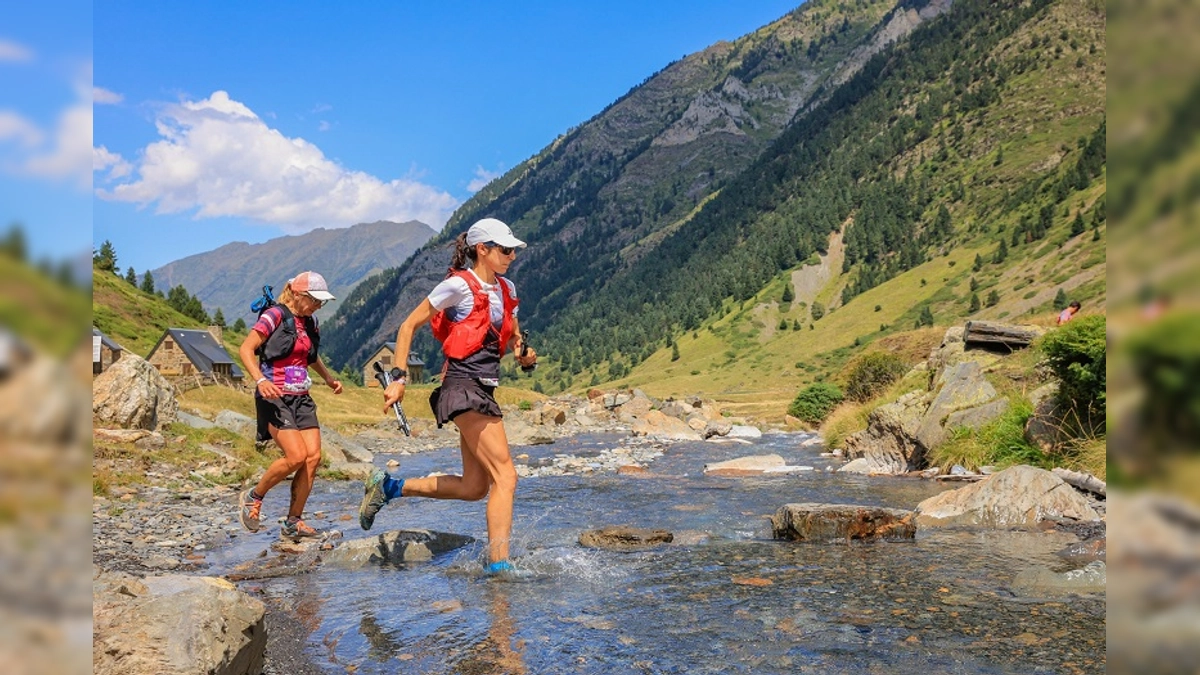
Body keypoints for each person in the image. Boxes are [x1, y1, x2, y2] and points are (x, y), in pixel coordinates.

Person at [358, 218, 537, 575]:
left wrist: (523, 353)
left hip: (484, 387)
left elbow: (513, 332)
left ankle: (390, 487)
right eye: (505, 249)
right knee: (506, 477)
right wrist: (398, 378)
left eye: (514, 249)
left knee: (474, 487)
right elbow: (408, 325)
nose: (512, 255)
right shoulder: (458, 286)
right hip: (462, 387)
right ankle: (499, 566)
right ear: (482, 249)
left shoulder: (506, 287)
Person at [237, 271, 343, 540]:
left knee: (313, 458)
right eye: (315, 300)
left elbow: (310, 357)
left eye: (322, 302)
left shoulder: (311, 322)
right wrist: (260, 380)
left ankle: (293, 521)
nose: (319, 306)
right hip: (274, 396)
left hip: (302, 397)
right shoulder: (274, 316)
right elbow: (246, 349)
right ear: (297, 294)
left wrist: (329, 378)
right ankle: (253, 497)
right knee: (295, 457)